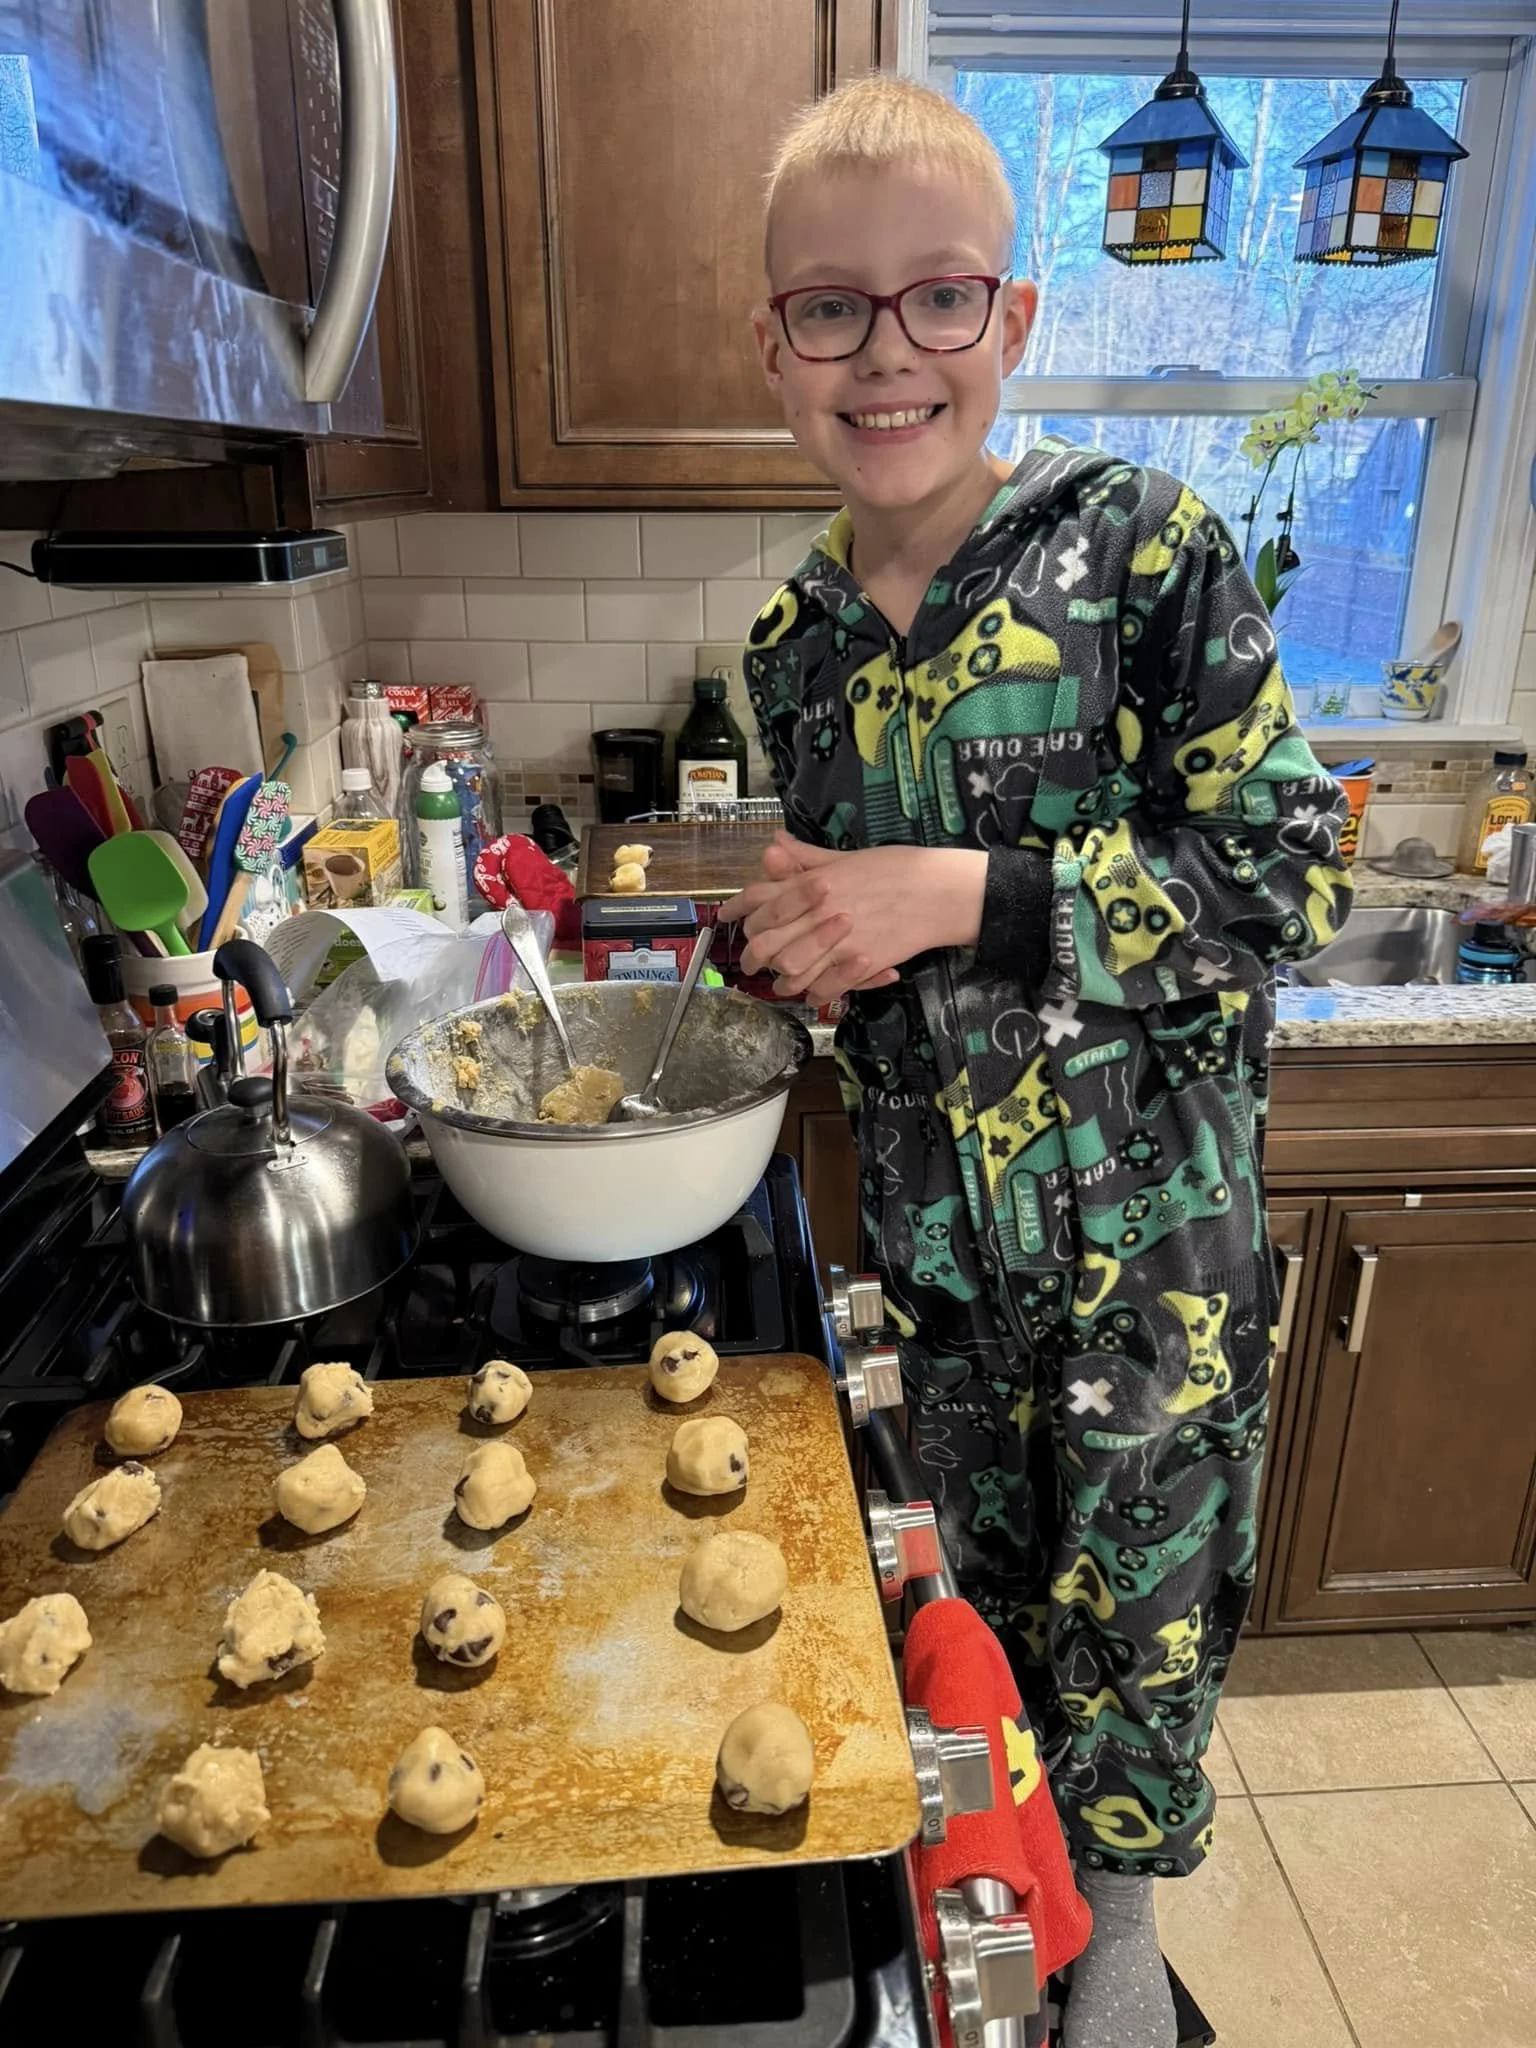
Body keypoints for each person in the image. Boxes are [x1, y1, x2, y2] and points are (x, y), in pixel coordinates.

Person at [721, 74, 1353, 2048]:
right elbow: (887, 971)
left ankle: (1129, 1979)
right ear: (776, 346)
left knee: (1137, 1658)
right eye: (832, 307)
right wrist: (819, 959)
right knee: (964, 1647)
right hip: (942, 1283)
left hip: (1154, 1273)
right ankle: (997, 1966)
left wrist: (954, 890)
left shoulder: (1143, 555)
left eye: (938, 299)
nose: (885, 350)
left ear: (1017, 322)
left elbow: (1281, 868)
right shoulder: (791, 644)